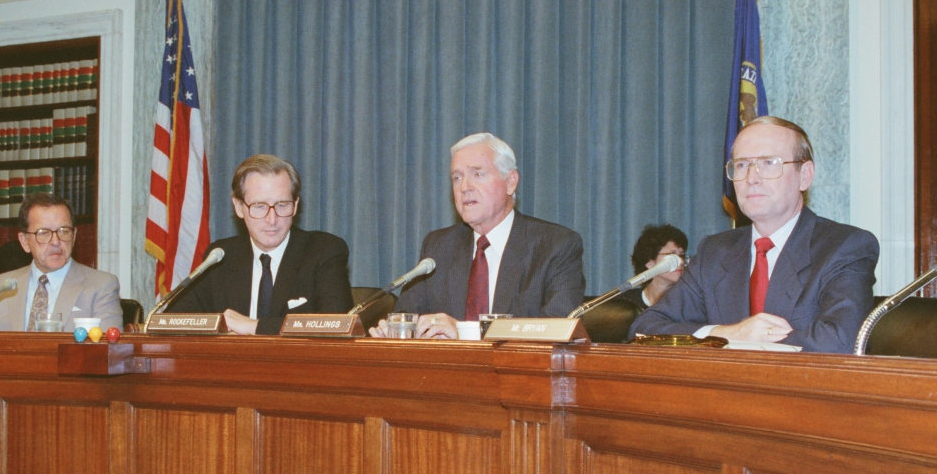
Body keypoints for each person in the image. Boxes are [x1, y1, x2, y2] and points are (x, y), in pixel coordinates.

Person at [629, 116, 879, 353]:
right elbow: (645, 329)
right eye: (741, 165)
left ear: (805, 176)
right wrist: (729, 335)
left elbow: (841, 342)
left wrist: (750, 342)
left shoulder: (844, 247)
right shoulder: (715, 252)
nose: (751, 178)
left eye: (768, 163)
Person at [370, 132, 585, 339]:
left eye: (478, 174)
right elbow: (410, 314)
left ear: (510, 182)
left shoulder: (555, 246)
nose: (464, 187)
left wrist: (465, 332)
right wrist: (398, 332)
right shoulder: (438, 247)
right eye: (457, 177)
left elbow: (557, 330)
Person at [170, 154, 353, 334]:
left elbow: (337, 323)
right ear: (239, 207)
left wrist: (254, 326)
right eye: (259, 206)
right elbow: (176, 319)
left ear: (295, 205)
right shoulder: (222, 256)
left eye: (282, 205)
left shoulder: (324, 251)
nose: (272, 219)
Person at [0, 193, 123, 332]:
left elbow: (108, 352)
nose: (56, 241)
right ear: (25, 241)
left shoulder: (101, 286)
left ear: (74, 236)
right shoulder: (1, 287)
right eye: (43, 233)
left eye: (64, 231)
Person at [621, 224, 689, 309]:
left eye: (681, 255)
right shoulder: (625, 303)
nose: (681, 261)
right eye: (672, 255)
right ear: (649, 262)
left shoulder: (690, 304)